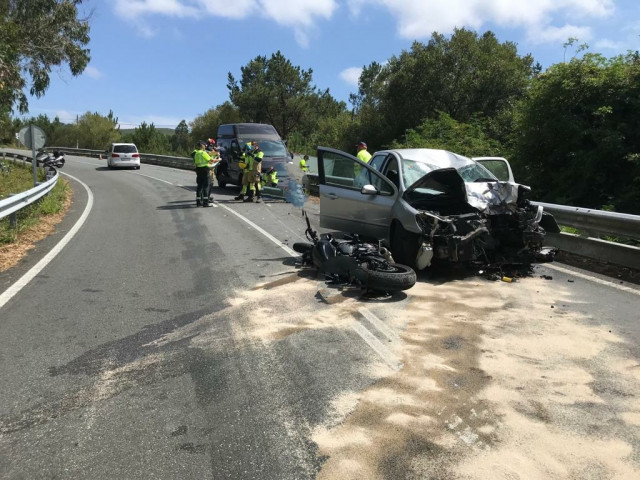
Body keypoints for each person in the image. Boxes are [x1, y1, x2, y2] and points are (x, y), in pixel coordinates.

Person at [193, 141, 213, 207]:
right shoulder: (203, 153)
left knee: (199, 186)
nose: (205, 146)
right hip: (205, 170)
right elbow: (210, 160)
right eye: (204, 145)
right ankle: (205, 203)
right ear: (202, 146)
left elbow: (195, 162)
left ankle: (198, 202)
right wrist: (218, 160)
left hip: (198, 170)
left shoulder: (196, 153)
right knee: (206, 186)